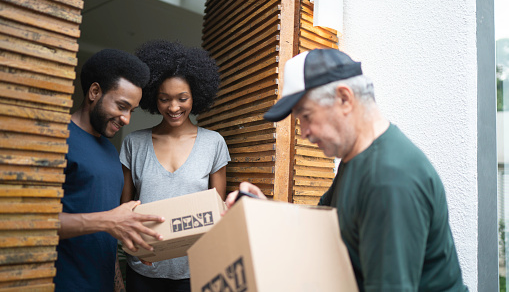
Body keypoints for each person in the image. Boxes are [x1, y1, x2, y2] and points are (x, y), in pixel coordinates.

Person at [225, 49, 468, 291]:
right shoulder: (355, 159)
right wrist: (263, 210)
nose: (304, 132)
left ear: (344, 98)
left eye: (306, 116)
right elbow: (320, 227)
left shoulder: (389, 179)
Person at [120, 40, 230, 292]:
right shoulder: (134, 144)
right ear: (152, 98)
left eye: (182, 98)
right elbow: (124, 210)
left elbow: (216, 212)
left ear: (196, 96)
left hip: (193, 270)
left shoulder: (213, 143)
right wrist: (135, 248)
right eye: (164, 99)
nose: (173, 107)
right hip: (143, 268)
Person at [54, 49, 165, 292]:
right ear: (94, 92)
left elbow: (108, 232)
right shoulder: (56, 141)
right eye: (122, 106)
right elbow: (31, 221)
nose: (126, 119)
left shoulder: (110, 152)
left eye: (131, 111)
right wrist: (108, 221)